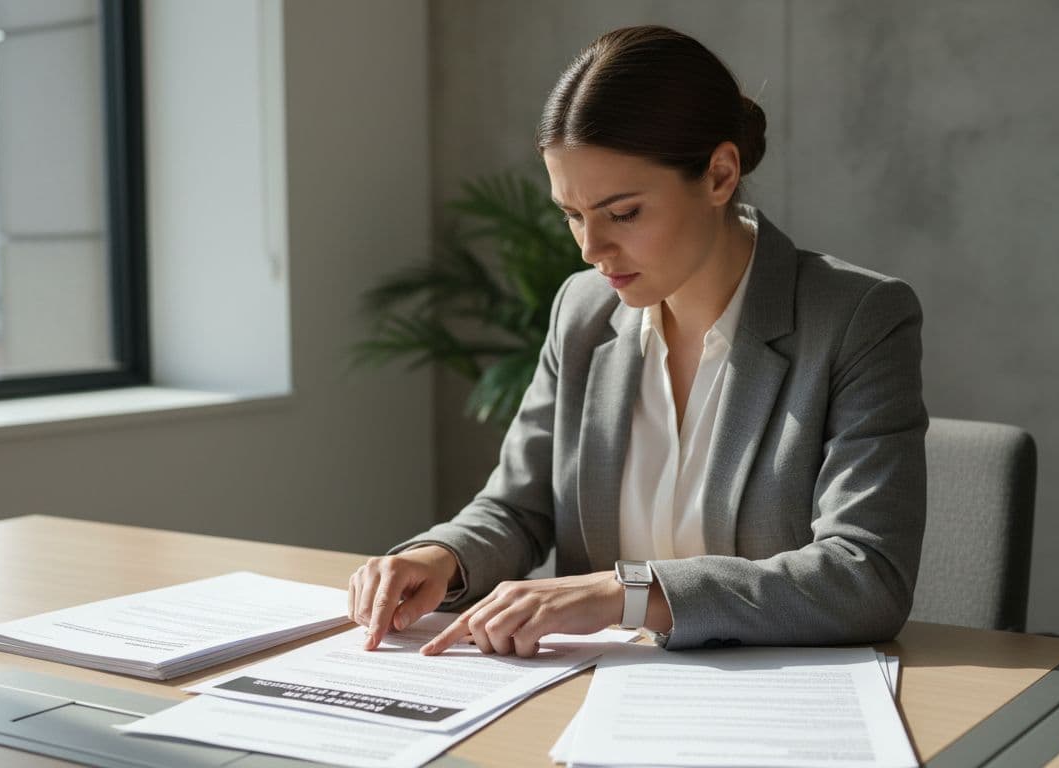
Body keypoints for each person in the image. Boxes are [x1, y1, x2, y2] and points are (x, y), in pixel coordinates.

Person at [347, 24, 928, 657]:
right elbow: (518, 507)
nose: (591, 249)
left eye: (622, 213)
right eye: (572, 215)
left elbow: (866, 575)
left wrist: (625, 593)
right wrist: (443, 556)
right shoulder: (583, 311)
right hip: (596, 696)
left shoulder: (856, 317)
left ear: (719, 175)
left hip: (772, 708)